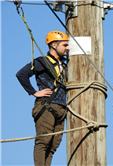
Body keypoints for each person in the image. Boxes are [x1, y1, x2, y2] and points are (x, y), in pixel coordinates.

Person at [16, 31, 69, 166]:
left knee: (53, 145)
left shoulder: (65, 64)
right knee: (43, 141)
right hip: (46, 106)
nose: (67, 48)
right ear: (53, 45)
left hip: (61, 108)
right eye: (65, 45)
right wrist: (34, 92)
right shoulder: (42, 61)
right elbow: (21, 74)